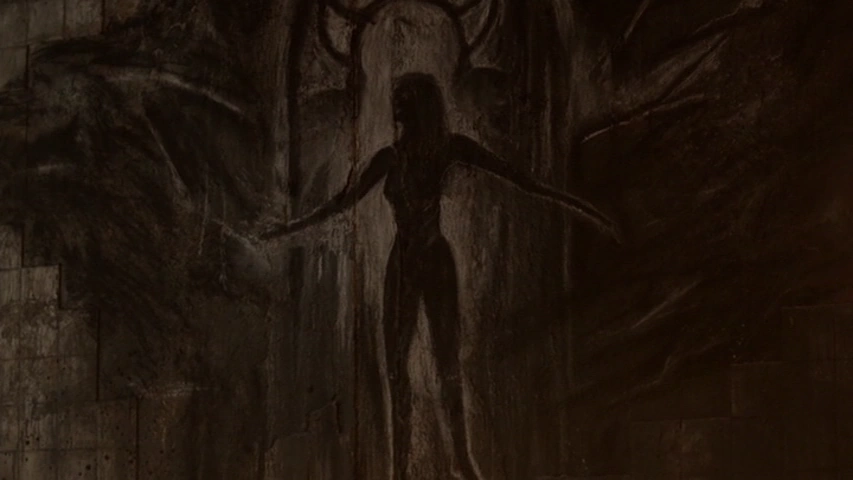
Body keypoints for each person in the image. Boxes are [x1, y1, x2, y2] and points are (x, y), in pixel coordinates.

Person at [260, 72, 620, 479]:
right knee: (396, 368)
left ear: (422, 107)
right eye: (397, 101)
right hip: (403, 267)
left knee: (447, 364)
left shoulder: (450, 148)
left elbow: (522, 180)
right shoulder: (389, 158)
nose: (397, 108)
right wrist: (286, 231)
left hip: (435, 264)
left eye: (404, 101)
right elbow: (341, 202)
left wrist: (585, 210)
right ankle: (399, 468)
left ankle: (462, 460)